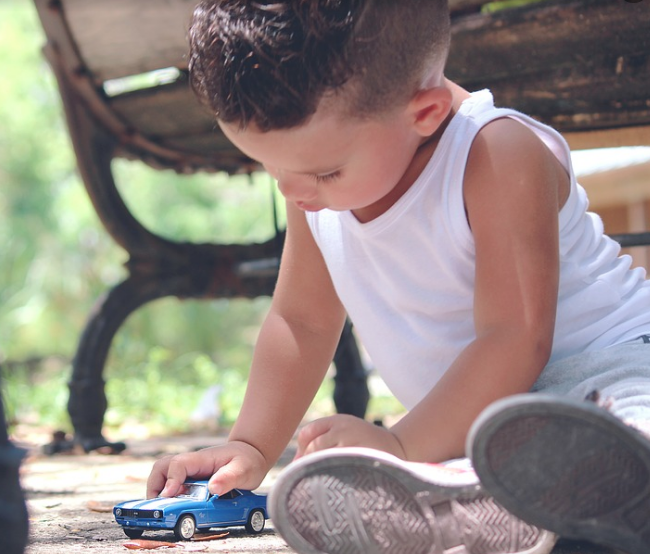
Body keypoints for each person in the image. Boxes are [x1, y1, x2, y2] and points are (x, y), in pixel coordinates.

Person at [147, 1, 650, 553]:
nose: (292, 191)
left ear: (426, 112)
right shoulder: (314, 182)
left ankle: (602, 472)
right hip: (479, 425)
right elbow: (303, 320)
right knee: (486, 456)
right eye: (270, 167)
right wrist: (250, 446)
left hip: (608, 371)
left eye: (323, 171)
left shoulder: (495, 153)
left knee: (628, 417)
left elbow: (515, 338)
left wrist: (401, 446)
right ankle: (487, 504)